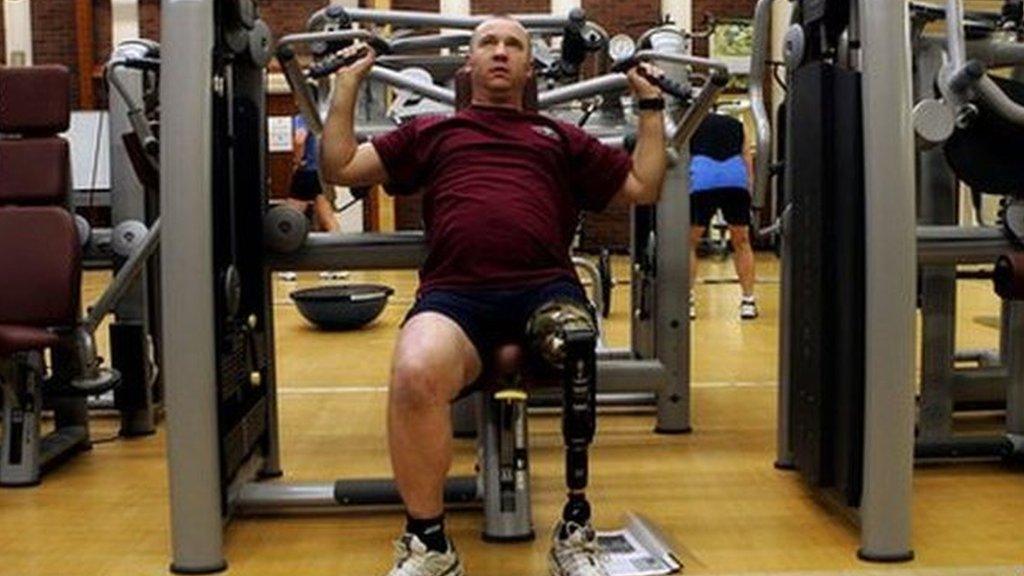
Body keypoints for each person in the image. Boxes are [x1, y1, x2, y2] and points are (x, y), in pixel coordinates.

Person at [320, 16, 667, 576]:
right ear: (470, 64)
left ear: (530, 67)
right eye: (488, 43)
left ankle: (575, 527)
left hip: (545, 291)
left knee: (576, 344)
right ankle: (429, 542)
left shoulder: (557, 136)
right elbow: (340, 166)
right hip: (456, 299)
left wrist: (650, 108)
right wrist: (347, 84)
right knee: (412, 369)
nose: (501, 52)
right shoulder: (433, 131)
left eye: (514, 45)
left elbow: (643, 186)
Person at [688, 111, 758, 320]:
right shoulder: (736, 124)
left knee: (689, 243)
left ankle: (688, 300)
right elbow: (746, 156)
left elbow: (683, 156)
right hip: (735, 180)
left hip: (702, 179)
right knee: (742, 241)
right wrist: (751, 188)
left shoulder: (691, 121)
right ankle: (748, 301)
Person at [288, 110, 341, 233]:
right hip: (322, 172)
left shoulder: (303, 117)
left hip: (307, 172)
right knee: (327, 218)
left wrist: (297, 161)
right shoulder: (324, 118)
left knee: (289, 216)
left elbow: (299, 139)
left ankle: (281, 246)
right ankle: (339, 246)